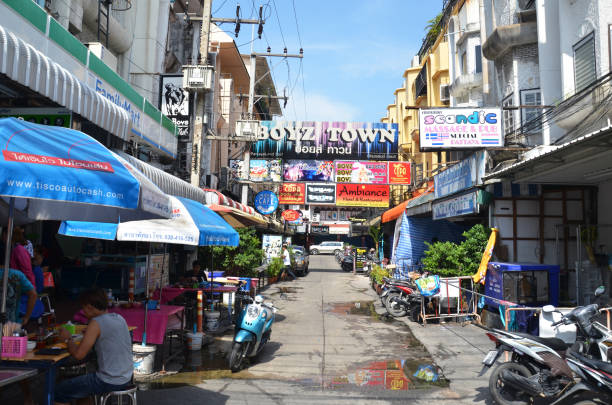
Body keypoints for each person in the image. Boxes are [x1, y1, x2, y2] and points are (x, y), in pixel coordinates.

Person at [55, 288, 132, 405]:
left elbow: (78, 355)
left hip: (108, 380)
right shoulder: (119, 318)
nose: (83, 311)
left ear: (90, 307)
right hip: (126, 376)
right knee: (80, 387)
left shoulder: (96, 323)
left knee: (59, 391)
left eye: (83, 308)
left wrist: (68, 338)